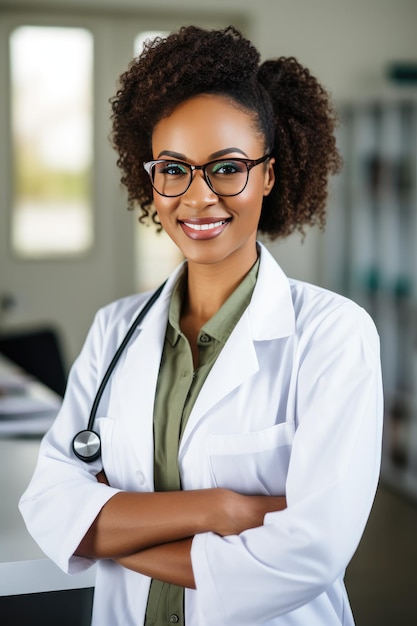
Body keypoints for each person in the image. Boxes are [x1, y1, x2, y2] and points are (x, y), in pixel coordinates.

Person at [19, 25, 383, 626]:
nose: (197, 197)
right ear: (151, 179)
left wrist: (109, 528)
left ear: (269, 173)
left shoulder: (334, 336)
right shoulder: (114, 331)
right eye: (174, 168)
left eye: (227, 168)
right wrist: (222, 509)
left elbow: (307, 553)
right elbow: (50, 504)